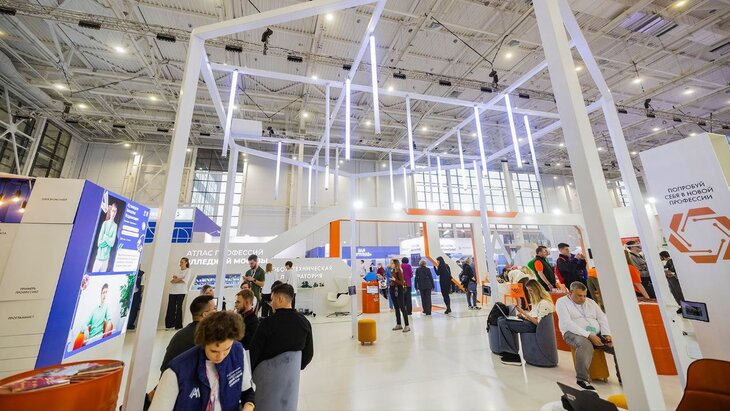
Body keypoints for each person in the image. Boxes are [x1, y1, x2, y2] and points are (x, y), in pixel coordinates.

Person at [150, 311, 255, 411]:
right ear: (203, 343)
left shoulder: (237, 352)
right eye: (214, 351)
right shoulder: (176, 371)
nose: (221, 356)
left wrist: (249, 406)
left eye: (227, 349)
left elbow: (247, 391)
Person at [556, 282, 619, 390]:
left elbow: (602, 318)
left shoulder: (591, 302)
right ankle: (582, 379)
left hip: (595, 334)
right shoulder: (561, 302)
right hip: (572, 333)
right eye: (579, 295)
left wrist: (607, 334)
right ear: (571, 292)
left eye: (584, 295)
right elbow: (567, 323)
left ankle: (623, 377)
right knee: (585, 345)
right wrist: (588, 335)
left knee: (618, 347)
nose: (583, 298)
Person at [249, 283, 314, 371]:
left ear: (280, 299)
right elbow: (308, 354)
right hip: (292, 375)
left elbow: (253, 354)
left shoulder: (267, 323)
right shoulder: (305, 322)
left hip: (266, 374)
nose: (271, 303)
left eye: (272, 299)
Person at [497, 279, 556, 365]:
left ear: (536, 289)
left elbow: (538, 323)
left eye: (531, 290)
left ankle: (512, 355)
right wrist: (523, 316)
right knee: (501, 320)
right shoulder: (538, 301)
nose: (529, 293)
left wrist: (524, 313)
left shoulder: (544, 303)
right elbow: (534, 315)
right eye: (528, 290)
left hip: (533, 326)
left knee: (504, 323)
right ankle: (507, 351)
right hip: (530, 323)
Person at [160, 295, 217, 373]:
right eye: (214, 308)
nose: (217, 312)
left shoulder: (184, 332)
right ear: (205, 314)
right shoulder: (203, 335)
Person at [165, 257, 190, 330]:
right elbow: (173, 280)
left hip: (181, 291)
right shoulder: (177, 270)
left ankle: (178, 326)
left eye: (182, 262)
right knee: (171, 307)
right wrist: (181, 278)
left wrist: (178, 279)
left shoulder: (188, 270)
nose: (180, 263)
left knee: (179, 307)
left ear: (186, 263)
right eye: (180, 262)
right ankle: (169, 325)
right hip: (173, 291)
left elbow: (185, 280)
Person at [93, 203, 118, 272]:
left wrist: (105, 237)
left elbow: (112, 244)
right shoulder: (105, 223)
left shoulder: (115, 226)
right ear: (110, 211)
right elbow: (99, 243)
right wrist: (109, 240)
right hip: (98, 258)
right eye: (112, 211)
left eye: (115, 211)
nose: (113, 213)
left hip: (106, 259)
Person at [389, 259, 410, 332]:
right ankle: (399, 324)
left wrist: (394, 279)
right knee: (396, 307)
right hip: (393, 289)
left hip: (398, 290)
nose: (390, 264)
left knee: (402, 307)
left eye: (392, 263)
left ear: (395, 264)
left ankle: (407, 325)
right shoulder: (393, 271)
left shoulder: (399, 272)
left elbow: (401, 282)